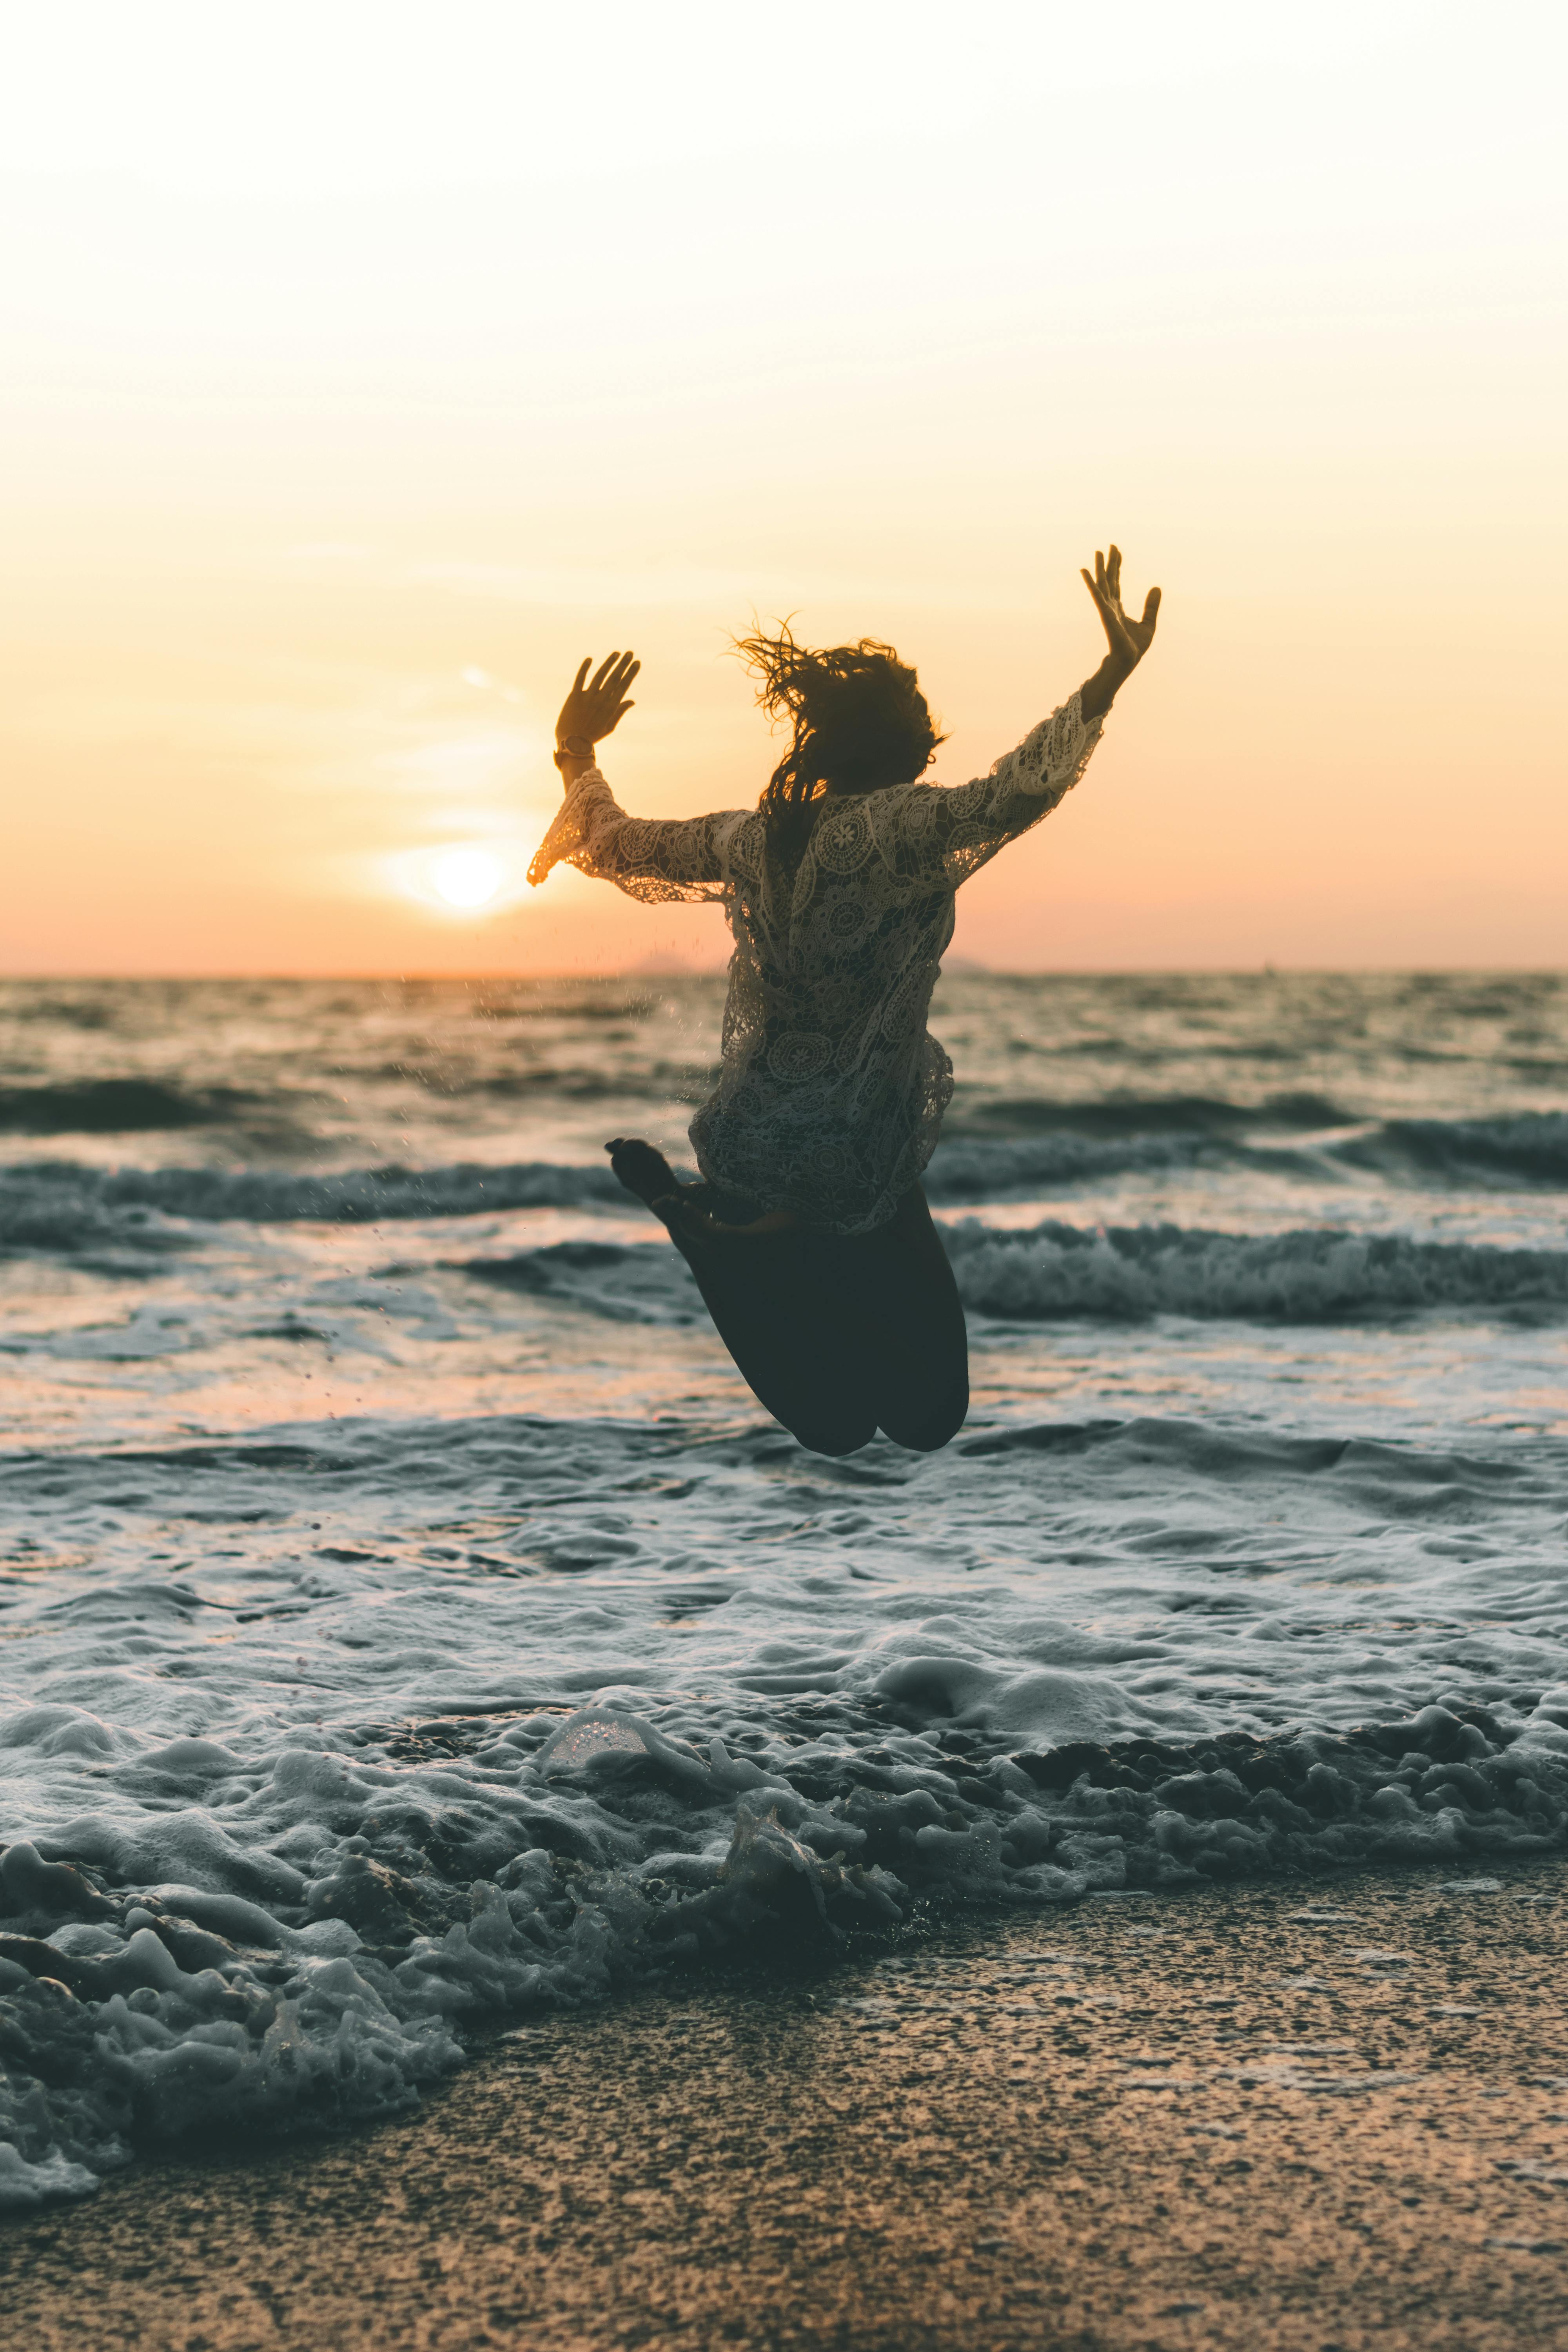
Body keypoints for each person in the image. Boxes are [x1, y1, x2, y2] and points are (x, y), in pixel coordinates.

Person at [527, 546, 1160, 1456]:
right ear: (904, 742)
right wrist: (1106, 677)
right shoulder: (899, 825)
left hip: (748, 1145)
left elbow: (617, 844)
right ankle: (706, 1239)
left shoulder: (750, 837)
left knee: (832, 1427)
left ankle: (704, 1235)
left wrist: (574, 751)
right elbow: (1013, 792)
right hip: (856, 1151)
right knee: (923, 1418)